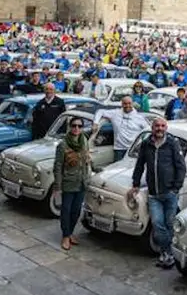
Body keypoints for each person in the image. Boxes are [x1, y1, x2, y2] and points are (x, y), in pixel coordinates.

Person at [129, 118, 186, 269]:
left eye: (162, 126)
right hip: (154, 194)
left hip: (170, 193)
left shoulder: (172, 143)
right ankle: (168, 253)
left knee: (169, 223)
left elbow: (181, 167)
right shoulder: (146, 144)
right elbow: (140, 164)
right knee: (157, 223)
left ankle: (167, 255)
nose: (159, 128)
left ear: (166, 127)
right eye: (156, 126)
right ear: (152, 128)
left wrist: (176, 188)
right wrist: (135, 183)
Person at [53, 116, 93, 251]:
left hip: (81, 181)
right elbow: (58, 166)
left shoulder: (84, 141)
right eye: (74, 126)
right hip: (68, 182)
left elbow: (87, 158)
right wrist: (57, 186)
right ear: (70, 127)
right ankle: (65, 235)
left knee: (76, 211)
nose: (77, 128)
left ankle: (70, 233)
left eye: (79, 126)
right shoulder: (63, 145)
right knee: (66, 210)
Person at [94, 96, 152, 161]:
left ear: (132, 104)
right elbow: (100, 111)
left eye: (129, 103)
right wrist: (95, 123)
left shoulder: (139, 117)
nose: (127, 105)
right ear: (121, 104)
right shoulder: (115, 113)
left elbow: (148, 131)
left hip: (133, 150)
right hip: (119, 149)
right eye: (125, 103)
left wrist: (142, 144)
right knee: (117, 169)